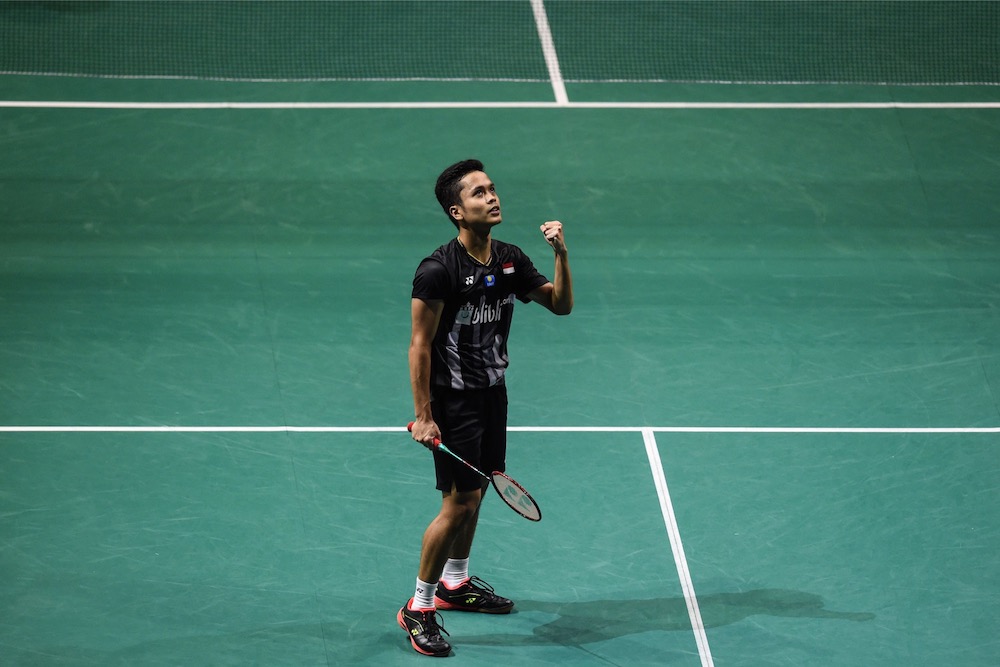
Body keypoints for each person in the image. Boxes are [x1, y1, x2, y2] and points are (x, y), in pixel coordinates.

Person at [398, 159, 574, 657]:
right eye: (479, 193)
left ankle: (455, 584)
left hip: (493, 393)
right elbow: (419, 345)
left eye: (492, 189)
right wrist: (424, 414)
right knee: (458, 504)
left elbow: (560, 305)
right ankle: (419, 606)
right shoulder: (437, 271)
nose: (492, 197)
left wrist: (560, 254)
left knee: (479, 490)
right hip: (453, 402)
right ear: (457, 211)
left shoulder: (510, 260)